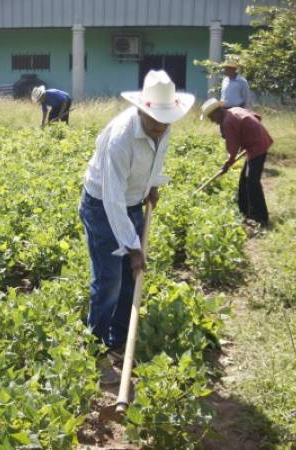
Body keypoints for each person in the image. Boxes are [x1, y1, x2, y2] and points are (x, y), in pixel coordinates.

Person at [79, 70, 194, 385]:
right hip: (103, 206)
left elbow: (156, 158)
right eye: (154, 120)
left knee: (132, 277)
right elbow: (112, 200)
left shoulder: (163, 126)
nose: (160, 127)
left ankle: (118, 340)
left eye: (165, 121)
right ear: (141, 109)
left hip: (131, 201)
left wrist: (152, 184)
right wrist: (132, 247)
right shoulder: (121, 138)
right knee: (109, 280)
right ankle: (94, 348)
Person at [200, 98, 273, 227]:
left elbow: (232, 148)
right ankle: (246, 212)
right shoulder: (234, 110)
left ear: (217, 112)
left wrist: (227, 164)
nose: (212, 121)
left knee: (252, 181)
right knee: (244, 180)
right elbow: (256, 117)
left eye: (211, 117)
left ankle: (261, 218)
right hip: (257, 142)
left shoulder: (228, 121)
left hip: (257, 146)